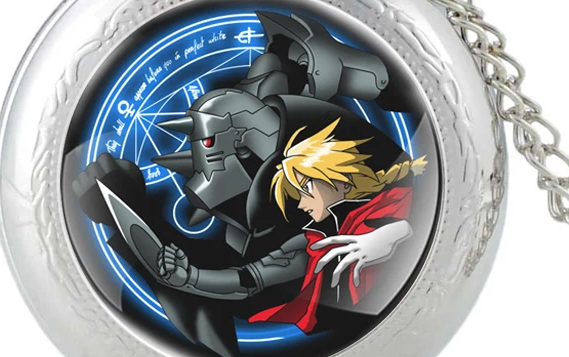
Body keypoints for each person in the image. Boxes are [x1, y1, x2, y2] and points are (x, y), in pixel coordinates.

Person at [158, 118, 426, 335]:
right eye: (297, 194)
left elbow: (428, 236)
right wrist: (192, 278)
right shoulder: (315, 243)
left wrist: (397, 233)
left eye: (306, 189)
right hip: (357, 336)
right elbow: (248, 280)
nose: (302, 204)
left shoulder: (398, 201)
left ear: (341, 182)